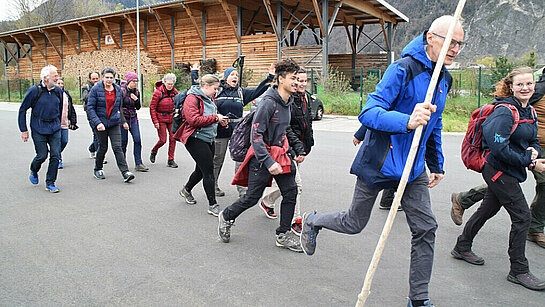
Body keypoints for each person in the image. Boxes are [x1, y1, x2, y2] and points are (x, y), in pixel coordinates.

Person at [300, 16, 464, 307]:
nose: (455, 48)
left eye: (460, 43)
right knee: (354, 223)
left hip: (413, 169)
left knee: (426, 229)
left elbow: (434, 124)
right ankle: (313, 221)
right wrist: (407, 121)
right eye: (450, 41)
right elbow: (369, 112)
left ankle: (419, 299)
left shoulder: (444, 79)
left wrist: (436, 164)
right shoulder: (402, 69)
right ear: (430, 37)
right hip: (379, 162)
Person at [451, 67, 545, 291]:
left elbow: (533, 140)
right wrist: (529, 161)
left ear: (534, 84)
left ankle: (462, 246)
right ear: (511, 86)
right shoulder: (504, 111)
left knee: (487, 209)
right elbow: (498, 147)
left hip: (510, 170)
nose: (526, 88)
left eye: (529, 84)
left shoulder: (529, 112)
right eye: (520, 84)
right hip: (496, 169)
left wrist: (534, 152)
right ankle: (519, 270)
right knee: (522, 217)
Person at [218, 59, 303, 253]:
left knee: (291, 192)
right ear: (281, 79)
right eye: (293, 78)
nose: (297, 82)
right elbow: (255, 136)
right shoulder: (268, 103)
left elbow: (285, 128)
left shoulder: (288, 102)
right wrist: (268, 161)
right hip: (263, 156)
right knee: (251, 198)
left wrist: (297, 149)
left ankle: (283, 234)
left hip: (282, 154)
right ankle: (226, 216)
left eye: (298, 78)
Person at [191, 62, 275, 198]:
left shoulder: (242, 93)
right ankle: (213, 186)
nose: (235, 76)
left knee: (241, 160)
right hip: (220, 130)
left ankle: (242, 190)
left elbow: (259, 90)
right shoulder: (216, 91)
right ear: (226, 78)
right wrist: (194, 73)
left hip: (238, 132)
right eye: (232, 74)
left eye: (236, 74)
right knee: (217, 159)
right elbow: (198, 88)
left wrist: (270, 77)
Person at [259, 68, 314, 234]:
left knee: (286, 184)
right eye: (298, 80)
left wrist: (306, 145)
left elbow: (307, 124)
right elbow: (286, 128)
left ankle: (267, 201)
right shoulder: (288, 99)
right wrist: (296, 148)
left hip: (300, 148)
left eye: (304, 81)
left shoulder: (306, 98)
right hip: (287, 149)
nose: (301, 84)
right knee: (296, 186)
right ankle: (295, 220)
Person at [174, 74, 229, 216]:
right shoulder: (192, 98)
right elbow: (193, 120)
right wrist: (216, 118)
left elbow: (211, 117)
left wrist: (220, 121)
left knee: (200, 170)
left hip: (209, 138)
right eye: (215, 89)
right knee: (208, 171)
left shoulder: (210, 99)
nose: (216, 92)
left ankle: (186, 190)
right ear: (206, 86)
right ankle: (212, 205)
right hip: (195, 138)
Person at [18, 65, 63, 192]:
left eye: (57, 76)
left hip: (54, 127)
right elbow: (22, 110)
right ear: (45, 78)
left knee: (55, 155)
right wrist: (24, 129)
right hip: (39, 128)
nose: (57, 78)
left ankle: (50, 182)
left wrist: (59, 123)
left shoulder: (58, 91)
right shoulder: (34, 91)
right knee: (42, 155)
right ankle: (34, 169)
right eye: (55, 76)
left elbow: (60, 109)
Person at [87, 67, 135, 183]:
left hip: (114, 123)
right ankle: (97, 169)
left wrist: (123, 121)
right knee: (103, 147)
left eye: (111, 78)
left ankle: (125, 172)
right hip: (101, 123)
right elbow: (90, 108)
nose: (109, 80)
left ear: (114, 78)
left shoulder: (118, 89)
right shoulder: (96, 89)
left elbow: (119, 107)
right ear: (102, 78)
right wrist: (97, 122)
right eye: (107, 77)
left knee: (117, 147)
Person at [353, 124, 399, 211]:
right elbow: (373, 117)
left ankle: (387, 200)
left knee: (395, 173)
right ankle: (387, 200)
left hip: (397, 144)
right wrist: (359, 135)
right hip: (388, 144)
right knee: (394, 173)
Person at [121, 72, 148, 172]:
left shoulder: (136, 92)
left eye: (137, 81)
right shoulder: (122, 91)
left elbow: (138, 107)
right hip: (123, 118)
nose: (135, 83)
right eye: (133, 81)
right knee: (123, 142)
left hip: (133, 118)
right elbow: (118, 107)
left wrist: (136, 100)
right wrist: (123, 121)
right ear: (129, 81)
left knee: (137, 140)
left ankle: (138, 163)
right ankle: (122, 163)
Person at [150, 73, 179, 168]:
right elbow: (152, 107)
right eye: (168, 83)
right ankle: (154, 150)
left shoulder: (175, 93)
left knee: (173, 138)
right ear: (164, 82)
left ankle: (171, 159)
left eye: (172, 84)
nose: (170, 86)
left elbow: (178, 104)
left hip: (171, 118)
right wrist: (155, 121)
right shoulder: (158, 93)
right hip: (160, 118)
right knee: (163, 140)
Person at [56, 78, 78, 169]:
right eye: (58, 83)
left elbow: (71, 108)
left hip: (64, 122)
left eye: (62, 83)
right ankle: (58, 159)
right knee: (57, 142)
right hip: (55, 124)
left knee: (64, 141)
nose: (60, 85)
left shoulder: (66, 94)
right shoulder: (52, 94)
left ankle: (55, 154)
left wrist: (73, 121)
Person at [82, 72, 101, 160]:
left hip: (101, 113)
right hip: (91, 115)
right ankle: (99, 155)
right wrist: (94, 89)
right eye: (93, 79)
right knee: (97, 134)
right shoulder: (86, 88)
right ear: (90, 79)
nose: (95, 80)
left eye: (97, 78)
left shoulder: (102, 86)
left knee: (99, 135)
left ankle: (92, 148)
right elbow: (86, 98)